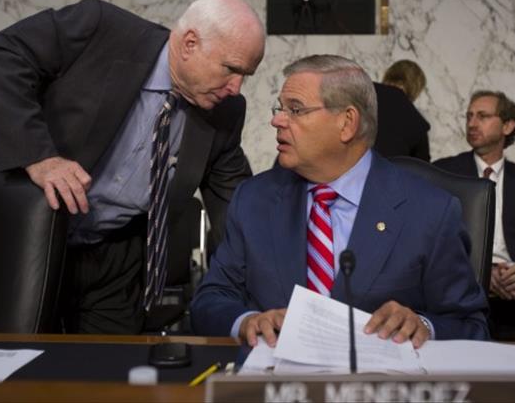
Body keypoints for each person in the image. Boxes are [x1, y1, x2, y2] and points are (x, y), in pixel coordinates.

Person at [0, 0, 266, 334]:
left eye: (246, 75)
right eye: (231, 69)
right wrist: (39, 156)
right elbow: (1, 54)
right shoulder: (102, 28)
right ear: (190, 43)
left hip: (114, 260)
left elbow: (235, 205)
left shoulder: (226, 112)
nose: (236, 88)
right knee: (17, 359)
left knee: (111, 364)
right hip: (31, 243)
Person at [190, 55, 489, 348]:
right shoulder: (254, 199)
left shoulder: (429, 211)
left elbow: (471, 326)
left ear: (347, 123)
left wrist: (422, 326)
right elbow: (210, 300)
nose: (277, 120)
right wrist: (247, 322)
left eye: (295, 109)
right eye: (280, 108)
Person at [434, 90, 515, 340]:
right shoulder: (443, 172)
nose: (472, 123)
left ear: (508, 126)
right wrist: (481, 270)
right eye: (469, 116)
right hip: (460, 285)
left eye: (483, 116)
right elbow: (435, 239)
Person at [372, 59, 430, 161]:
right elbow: (422, 168)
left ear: (388, 75)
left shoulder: (363, 90)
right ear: (416, 89)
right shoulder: (419, 124)